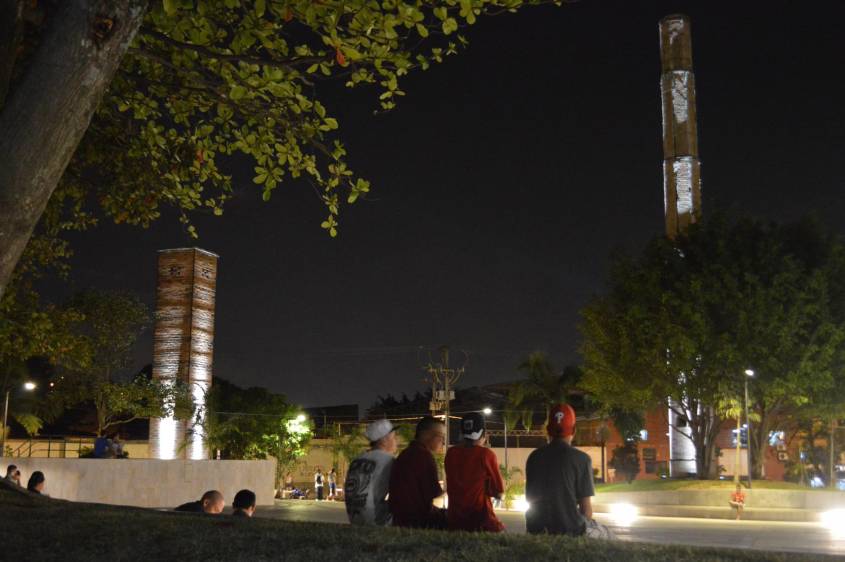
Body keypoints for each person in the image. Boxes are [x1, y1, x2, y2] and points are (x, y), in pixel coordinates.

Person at [525, 404, 611, 538]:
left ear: (548, 430)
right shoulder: (582, 459)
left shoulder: (533, 457)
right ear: (574, 430)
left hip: (535, 528)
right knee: (608, 534)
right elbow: (586, 509)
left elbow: (530, 499)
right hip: (571, 530)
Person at [444, 412, 505, 532]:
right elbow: (498, 491)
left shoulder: (451, 454)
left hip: (454, 521)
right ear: (484, 434)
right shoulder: (486, 454)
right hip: (480, 521)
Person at [388, 416, 447, 529]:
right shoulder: (423, 456)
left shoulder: (405, 454)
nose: (443, 442)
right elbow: (433, 492)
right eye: (440, 436)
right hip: (416, 521)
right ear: (426, 435)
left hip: (399, 519)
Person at [345, 419, 397, 526]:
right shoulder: (389, 460)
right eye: (394, 437)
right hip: (377, 521)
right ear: (384, 440)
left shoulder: (357, 460)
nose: (396, 442)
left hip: (354, 518)